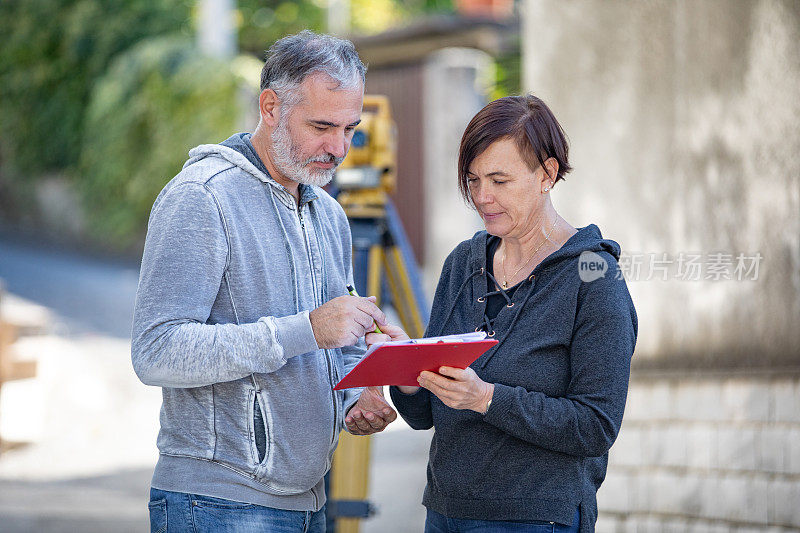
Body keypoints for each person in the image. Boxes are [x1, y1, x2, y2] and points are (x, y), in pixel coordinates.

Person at [131, 31, 397, 533]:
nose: (338, 147)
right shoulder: (201, 198)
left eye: (349, 129)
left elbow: (334, 344)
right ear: (270, 106)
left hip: (310, 502)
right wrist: (307, 330)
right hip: (214, 506)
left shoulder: (329, 215)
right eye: (321, 126)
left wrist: (357, 395)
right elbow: (156, 351)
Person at [376, 95, 638, 532]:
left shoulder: (594, 277)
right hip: (445, 513)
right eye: (474, 180)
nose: (482, 197)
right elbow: (425, 416)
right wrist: (405, 373)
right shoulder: (463, 263)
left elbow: (595, 426)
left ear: (547, 175)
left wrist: (486, 398)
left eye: (499, 180)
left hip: (536, 519)